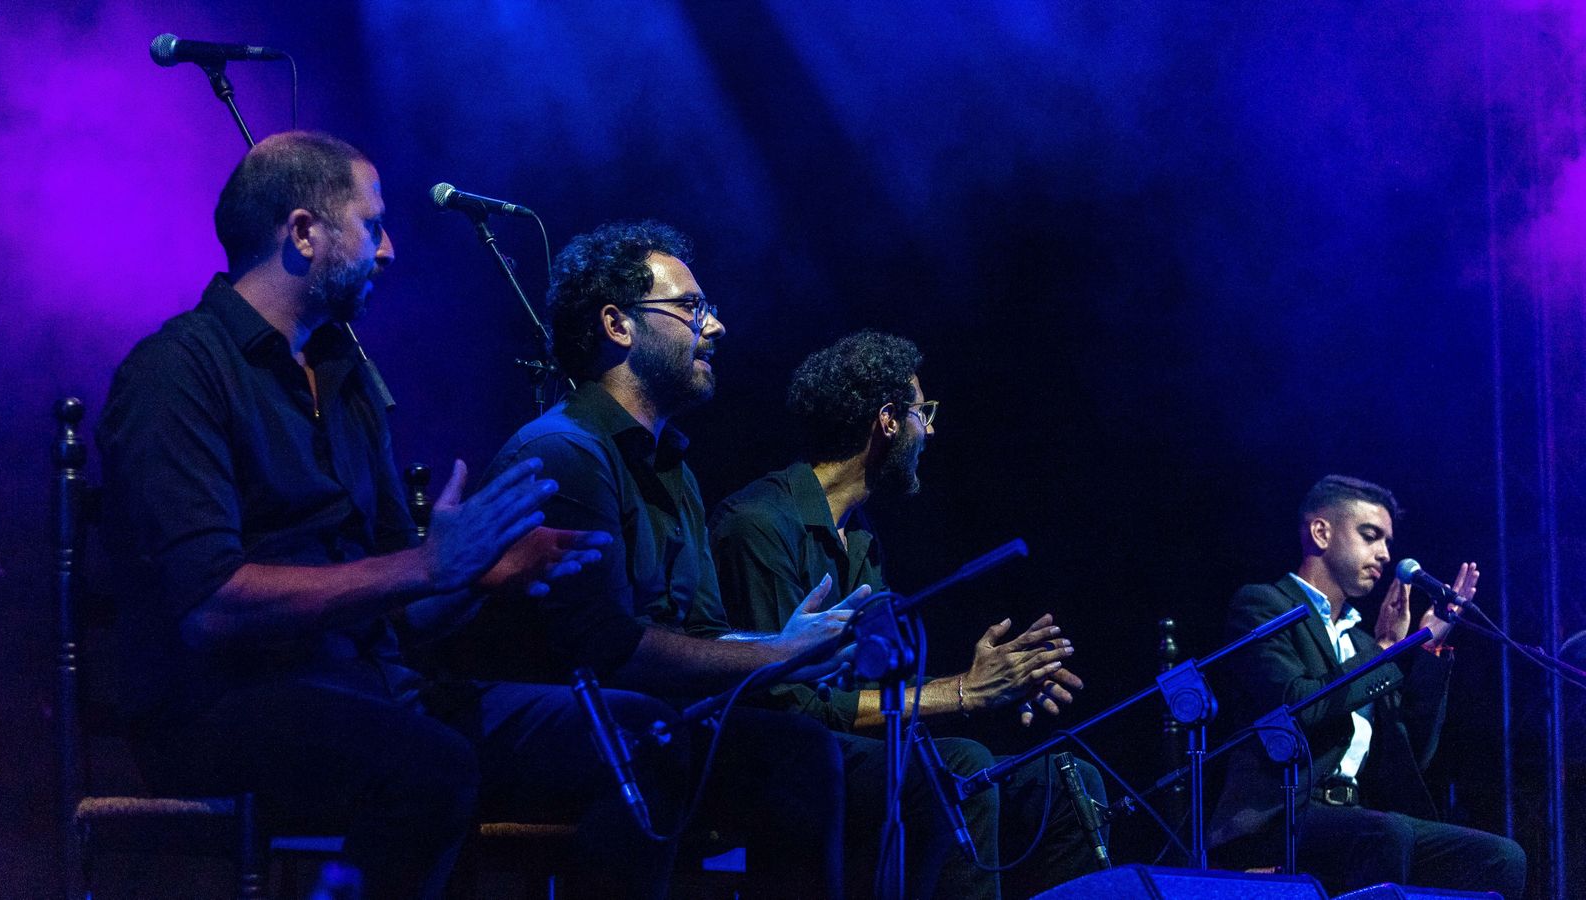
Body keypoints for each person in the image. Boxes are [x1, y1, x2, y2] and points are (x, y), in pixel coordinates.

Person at [98, 132, 689, 900]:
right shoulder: (175, 372)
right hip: (222, 709)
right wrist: (424, 565)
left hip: (369, 689)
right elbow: (210, 607)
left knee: (648, 736)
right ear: (304, 232)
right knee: (429, 765)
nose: (390, 251)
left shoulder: (342, 377)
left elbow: (401, 606)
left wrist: (475, 574)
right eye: (372, 226)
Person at [445, 220, 854, 898]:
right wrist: (777, 656)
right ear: (618, 325)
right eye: (692, 308)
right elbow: (606, 651)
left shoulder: (673, 470)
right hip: (537, 727)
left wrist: (788, 642)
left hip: (643, 722)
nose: (715, 327)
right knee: (655, 732)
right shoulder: (564, 453)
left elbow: (695, 635)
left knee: (800, 753)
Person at [708, 330, 1107, 899]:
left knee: (1065, 781)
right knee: (959, 767)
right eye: (925, 413)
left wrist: (1000, 687)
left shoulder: (862, 539)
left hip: (848, 755)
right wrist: (964, 692)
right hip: (780, 766)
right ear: (888, 421)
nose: (932, 430)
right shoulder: (759, 524)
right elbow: (792, 706)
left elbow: (877, 693)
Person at [1207, 475, 1526, 897]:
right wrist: (1386, 649)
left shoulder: (1362, 643)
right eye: (1370, 536)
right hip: (1277, 816)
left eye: (1387, 542)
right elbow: (1296, 705)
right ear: (1321, 532)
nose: (1385, 554)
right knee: (1384, 833)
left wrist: (1427, 647)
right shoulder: (1264, 604)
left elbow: (1412, 752)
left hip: (1357, 819)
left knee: (1500, 857)